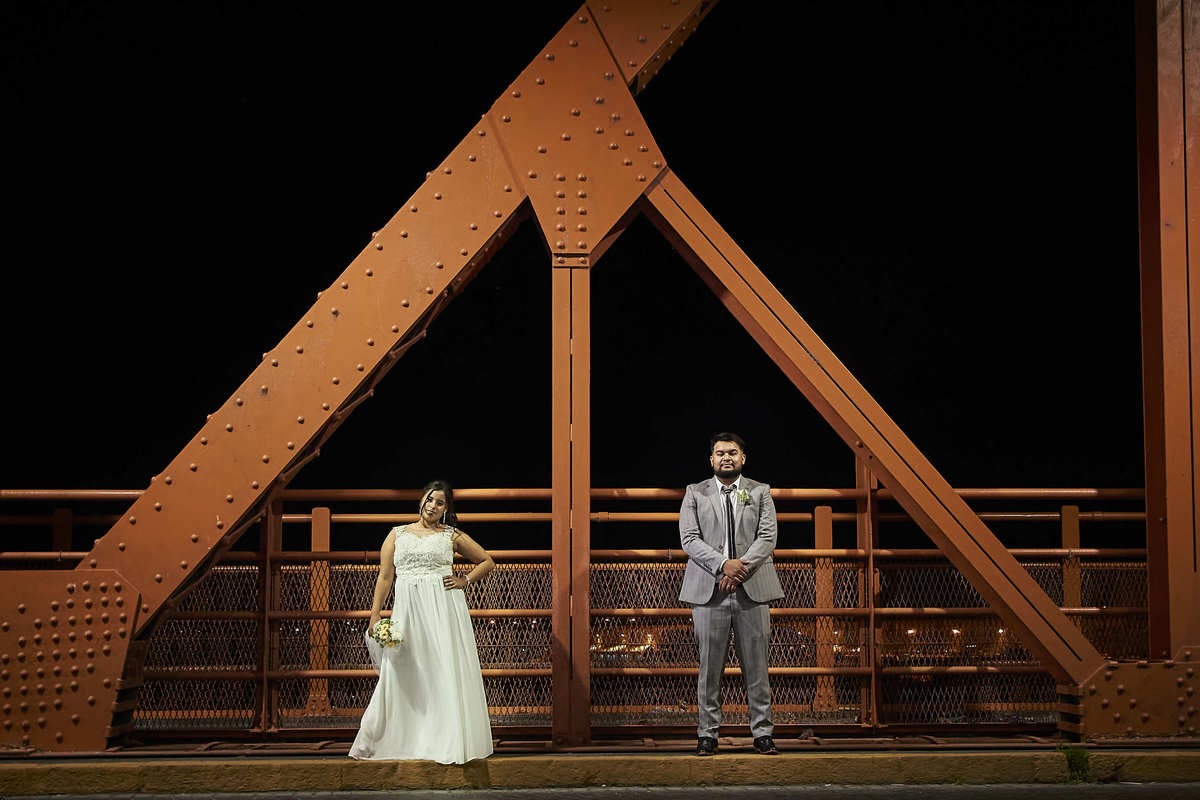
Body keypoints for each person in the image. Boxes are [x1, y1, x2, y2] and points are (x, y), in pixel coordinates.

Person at [349, 480, 496, 764]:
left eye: (440, 503)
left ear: (446, 509)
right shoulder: (397, 534)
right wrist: (375, 613)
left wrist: (465, 580)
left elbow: (486, 561)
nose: (433, 506)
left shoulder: (451, 535)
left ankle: (445, 740)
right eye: (430, 499)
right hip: (408, 611)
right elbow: (385, 576)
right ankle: (403, 738)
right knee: (403, 669)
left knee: (442, 669)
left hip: (444, 609)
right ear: (421, 501)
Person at [678, 432, 784, 756]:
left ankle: (763, 733)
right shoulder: (695, 492)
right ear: (711, 459)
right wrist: (724, 565)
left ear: (743, 458)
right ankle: (707, 734)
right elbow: (689, 538)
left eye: (733, 452)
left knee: (757, 667)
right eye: (720, 453)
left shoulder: (760, 491)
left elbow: (768, 536)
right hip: (709, 590)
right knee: (709, 668)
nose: (726, 457)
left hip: (752, 590)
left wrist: (739, 570)